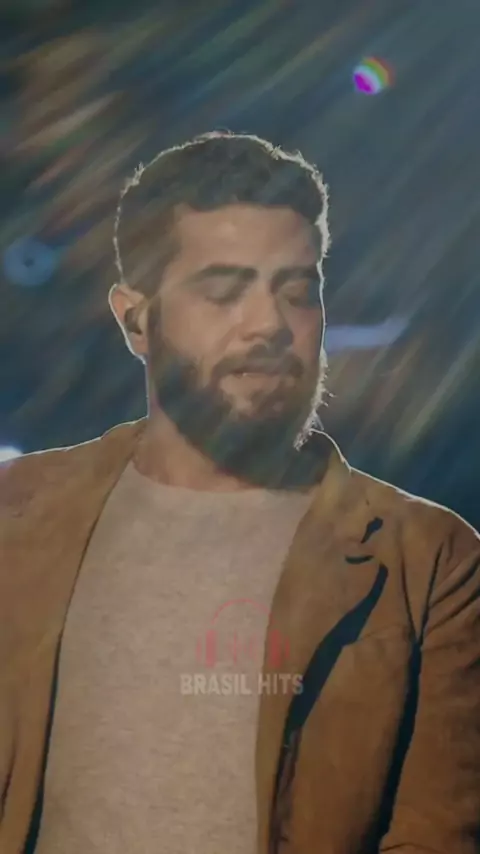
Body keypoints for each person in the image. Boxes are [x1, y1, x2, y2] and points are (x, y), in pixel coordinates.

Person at [1, 131, 479, 854]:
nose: (269, 325)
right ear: (136, 319)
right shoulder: (17, 515)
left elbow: (439, 835)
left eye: (298, 292)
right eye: (223, 291)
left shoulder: (429, 561)